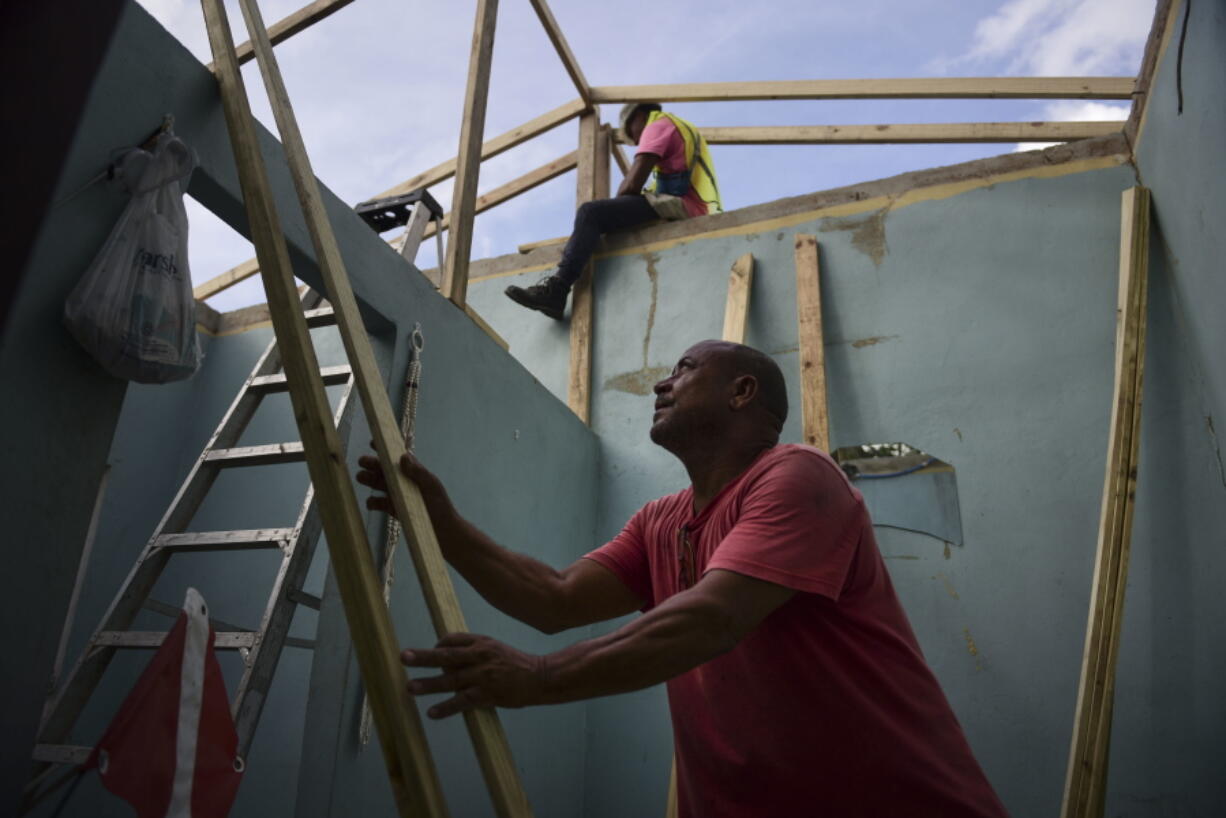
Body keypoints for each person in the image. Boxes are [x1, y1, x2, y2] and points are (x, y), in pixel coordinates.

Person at [356, 340, 1008, 818]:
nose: (662, 385)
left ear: (742, 391)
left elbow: (712, 618)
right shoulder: (659, 522)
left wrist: (538, 678)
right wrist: (442, 523)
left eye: (684, 370)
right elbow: (553, 599)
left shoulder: (798, 476)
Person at [503, 103, 722, 320]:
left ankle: (557, 290)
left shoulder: (657, 125)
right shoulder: (678, 128)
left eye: (631, 133)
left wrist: (611, 217)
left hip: (685, 206)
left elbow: (632, 184)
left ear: (639, 115)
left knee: (591, 213)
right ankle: (558, 289)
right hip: (694, 206)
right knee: (604, 215)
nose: (635, 140)